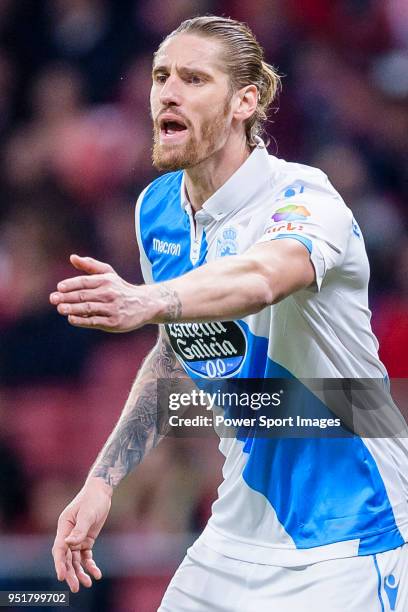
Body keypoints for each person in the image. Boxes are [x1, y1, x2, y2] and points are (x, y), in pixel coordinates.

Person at [50, 15, 408, 611]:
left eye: (193, 78)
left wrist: (151, 299)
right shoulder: (157, 209)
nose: (167, 91)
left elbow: (265, 278)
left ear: (246, 100)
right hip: (236, 536)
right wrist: (101, 481)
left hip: (352, 533)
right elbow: (181, 348)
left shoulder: (304, 196)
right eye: (161, 76)